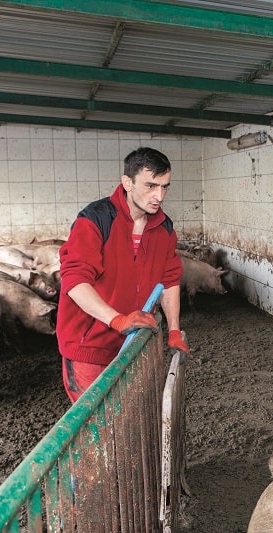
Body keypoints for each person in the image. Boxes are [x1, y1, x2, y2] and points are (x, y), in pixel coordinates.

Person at [56, 147, 189, 402]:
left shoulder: (164, 228)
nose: (159, 196)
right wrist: (117, 320)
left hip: (131, 344)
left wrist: (173, 330)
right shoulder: (95, 220)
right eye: (151, 186)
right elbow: (75, 281)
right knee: (99, 425)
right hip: (90, 347)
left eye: (164, 187)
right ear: (127, 182)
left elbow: (170, 279)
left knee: (126, 417)